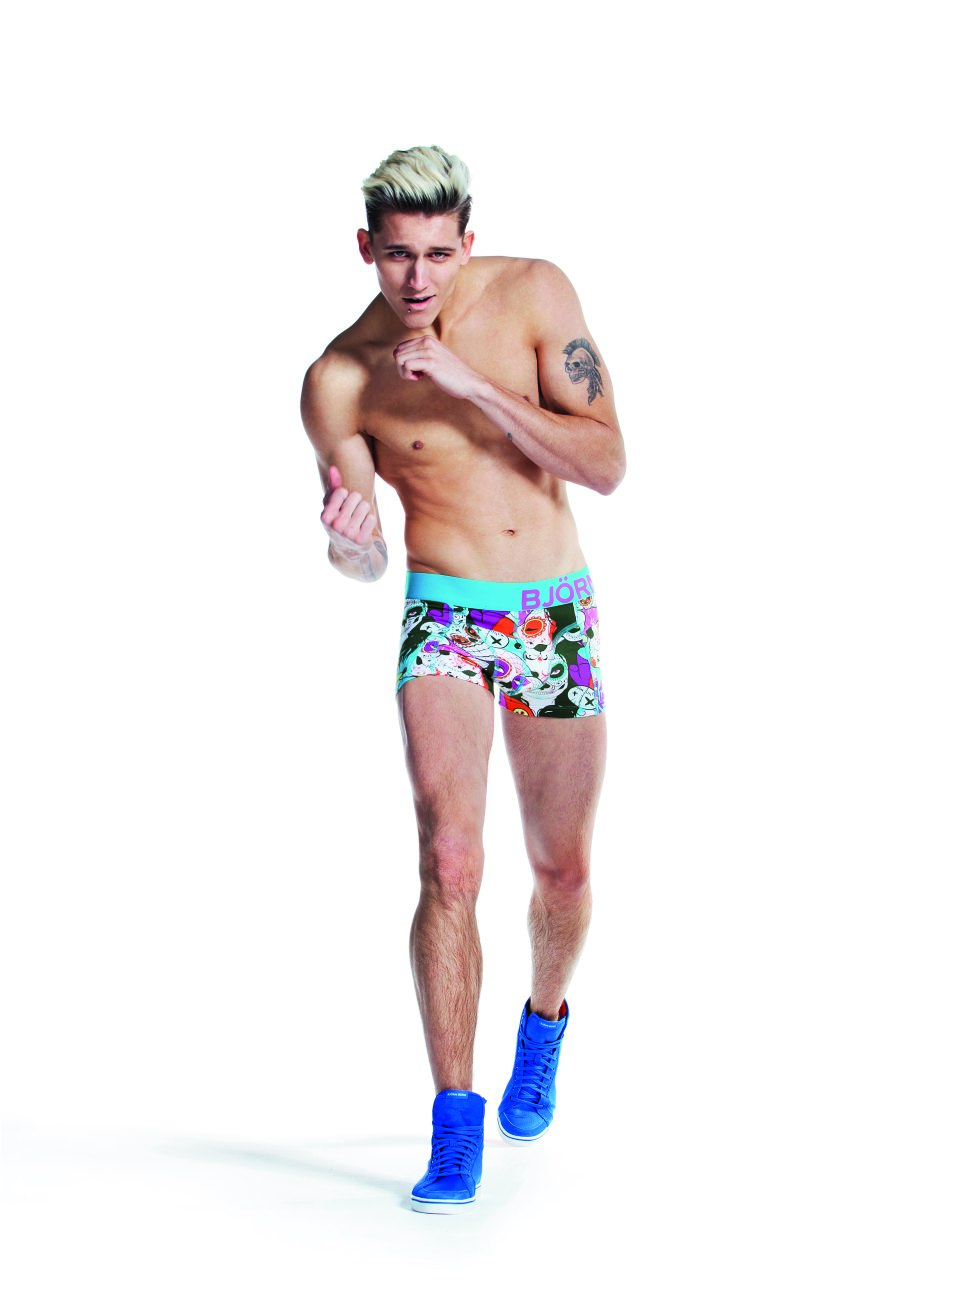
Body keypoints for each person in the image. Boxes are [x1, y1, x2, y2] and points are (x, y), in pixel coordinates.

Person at [300, 146, 625, 1213]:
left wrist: (469, 381)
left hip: (551, 614)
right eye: (399, 255)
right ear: (367, 248)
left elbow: (607, 464)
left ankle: (544, 1026)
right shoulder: (339, 378)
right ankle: (454, 1122)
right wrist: (349, 539)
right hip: (443, 614)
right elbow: (364, 560)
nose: (420, 277)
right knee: (449, 857)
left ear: (467, 242)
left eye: (439, 253)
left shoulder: (534, 293)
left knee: (562, 871)